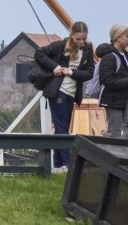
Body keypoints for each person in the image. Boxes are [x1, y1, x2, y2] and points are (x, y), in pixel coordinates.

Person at [30, 21, 93, 169]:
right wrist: (56, 67)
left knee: (63, 126)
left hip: (72, 93)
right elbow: (39, 53)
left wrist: (71, 72)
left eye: (84, 39)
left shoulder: (87, 50)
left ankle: (58, 163)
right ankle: (67, 163)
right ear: (71, 36)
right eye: (78, 39)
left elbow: (89, 73)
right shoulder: (60, 46)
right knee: (61, 127)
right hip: (58, 90)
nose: (81, 42)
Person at [97, 24, 128, 141]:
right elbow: (107, 80)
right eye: (127, 36)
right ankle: (112, 149)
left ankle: (123, 148)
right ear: (118, 37)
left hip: (125, 96)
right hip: (112, 98)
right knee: (114, 131)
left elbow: (122, 74)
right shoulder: (109, 57)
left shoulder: (125, 55)